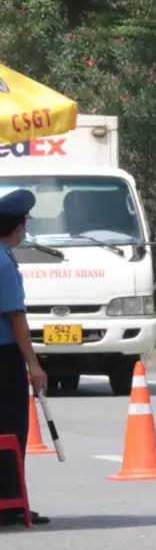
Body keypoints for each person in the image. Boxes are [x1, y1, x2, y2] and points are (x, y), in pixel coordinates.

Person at [0, 189, 49, 527]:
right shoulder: (4, 261)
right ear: (17, 229)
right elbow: (16, 318)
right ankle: (10, 504)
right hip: (3, 359)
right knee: (11, 431)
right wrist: (33, 364)